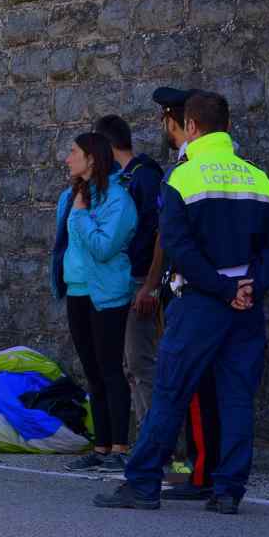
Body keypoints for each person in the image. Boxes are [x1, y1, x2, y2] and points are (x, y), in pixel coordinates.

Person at [95, 91, 269, 514]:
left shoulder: (182, 178)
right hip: (246, 305)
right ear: (228, 126)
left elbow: (179, 247)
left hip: (201, 302)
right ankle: (228, 491)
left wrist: (221, 289)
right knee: (237, 396)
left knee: (170, 391)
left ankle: (143, 484)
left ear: (193, 126)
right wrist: (249, 286)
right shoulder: (259, 177)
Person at [144, 87, 223, 501]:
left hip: (193, 290)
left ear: (177, 122)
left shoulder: (188, 168)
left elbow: (171, 236)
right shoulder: (226, 165)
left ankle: (198, 472)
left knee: (190, 387)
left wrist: (154, 284)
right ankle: (204, 469)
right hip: (219, 289)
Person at [51, 132, 138, 473]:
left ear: (91, 158)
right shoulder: (70, 195)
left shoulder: (118, 199)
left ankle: (119, 447)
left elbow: (104, 248)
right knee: (92, 372)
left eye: (73, 152)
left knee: (111, 370)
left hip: (107, 294)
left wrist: (81, 216)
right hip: (77, 292)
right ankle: (101, 447)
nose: (67, 158)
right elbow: (63, 245)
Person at [93, 115, 165, 427]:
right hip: (124, 284)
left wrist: (149, 285)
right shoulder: (124, 180)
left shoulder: (143, 178)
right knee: (129, 365)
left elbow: (157, 235)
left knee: (140, 363)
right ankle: (146, 441)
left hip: (140, 282)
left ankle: (158, 448)